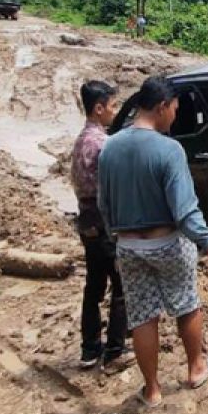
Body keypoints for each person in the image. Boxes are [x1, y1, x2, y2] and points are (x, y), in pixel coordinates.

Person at [98, 76, 208, 408]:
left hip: (128, 245)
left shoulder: (110, 146)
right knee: (186, 303)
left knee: (142, 315)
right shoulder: (169, 150)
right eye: (174, 109)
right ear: (161, 107)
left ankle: (152, 390)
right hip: (167, 241)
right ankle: (197, 367)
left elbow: (103, 204)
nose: (175, 116)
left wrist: (118, 235)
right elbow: (185, 209)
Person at [70, 81, 130, 370]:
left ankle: (90, 349)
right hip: (105, 224)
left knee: (94, 286)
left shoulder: (81, 140)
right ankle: (115, 352)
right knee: (121, 285)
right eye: (112, 106)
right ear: (99, 108)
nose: (114, 111)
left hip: (86, 222)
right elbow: (112, 189)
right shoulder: (103, 144)